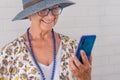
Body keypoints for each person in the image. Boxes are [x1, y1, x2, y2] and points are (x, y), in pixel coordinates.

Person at [0, 0, 92, 80]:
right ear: (29, 15)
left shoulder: (72, 46)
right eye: (43, 10)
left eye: (55, 8)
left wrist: (86, 77)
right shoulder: (9, 53)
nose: (50, 16)